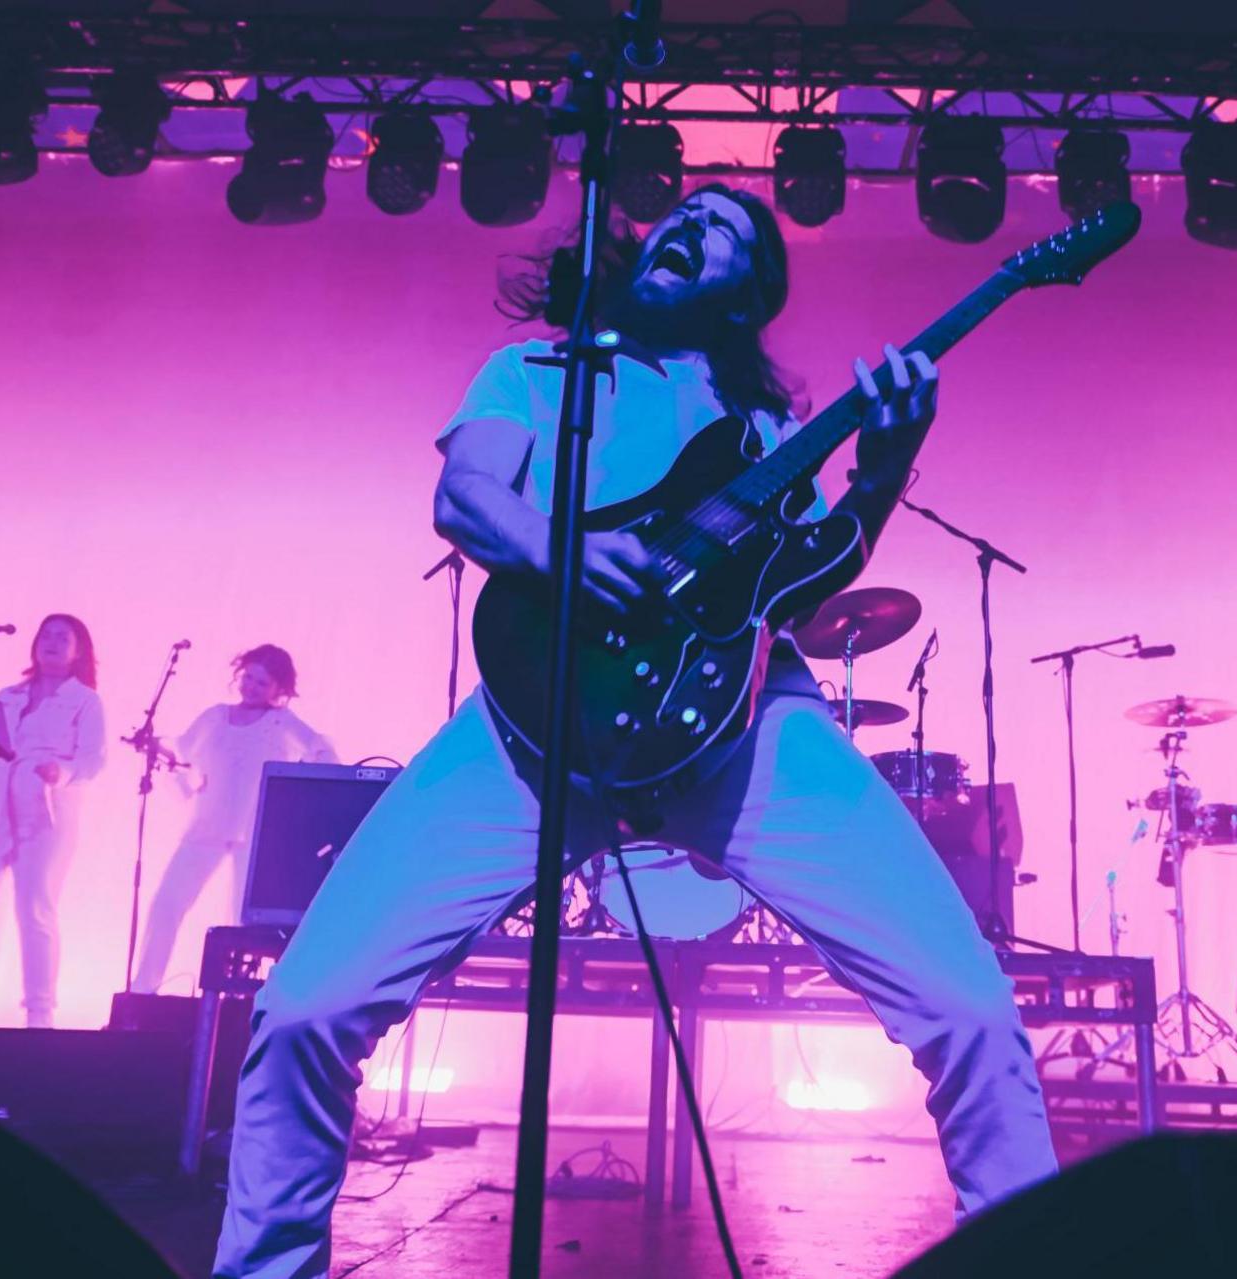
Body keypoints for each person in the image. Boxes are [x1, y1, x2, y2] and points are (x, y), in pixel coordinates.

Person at [213, 186, 1057, 1278]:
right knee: (305, 1007)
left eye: (725, 230)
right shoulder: (534, 372)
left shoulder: (766, 434)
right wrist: (560, 548)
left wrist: (885, 465)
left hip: (749, 723)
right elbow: (466, 495)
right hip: (536, 720)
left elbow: (803, 585)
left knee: (971, 1007)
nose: (687, 227)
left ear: (745, 293)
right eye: (681, 212)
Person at [131, 644, 336, 995]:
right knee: (166, 903)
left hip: (254, 834)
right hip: (206, 826)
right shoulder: (214, 716)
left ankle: (238, 1001)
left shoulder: (280, 722)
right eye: (248, 677)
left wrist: (293, 793)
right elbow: (182, 751)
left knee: (243, 922)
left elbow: (323, 751)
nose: (252, 686)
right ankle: (142, 991)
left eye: (263, 682)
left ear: (279, 690)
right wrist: (157, 747)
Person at [0, 614, 106, 1028]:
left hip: (44, 814)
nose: (50, 642)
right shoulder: (8, 694)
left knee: (35, 910)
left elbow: (93, 759)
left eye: (61, 638)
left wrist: (61, 772)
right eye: (45, 635)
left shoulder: (84, 700)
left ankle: (39, 1016)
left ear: (79, 650)